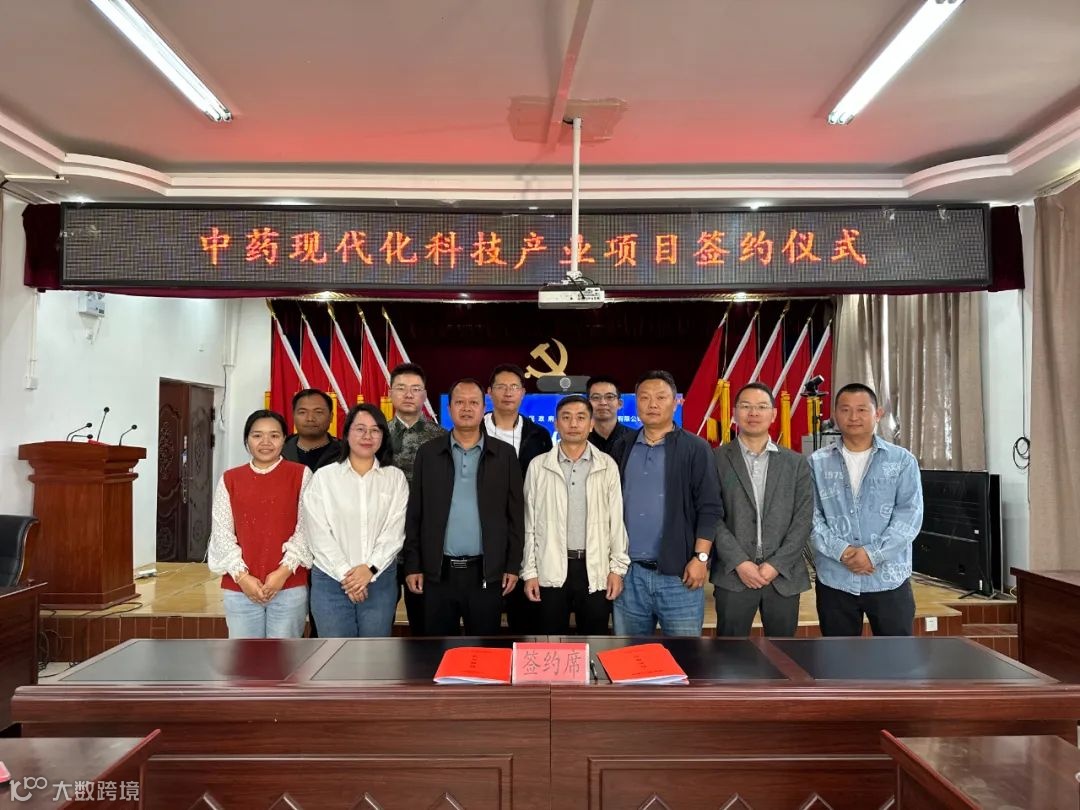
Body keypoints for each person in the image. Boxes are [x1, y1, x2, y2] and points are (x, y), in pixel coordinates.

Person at [404, 378, 524, 636]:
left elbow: (515, 516)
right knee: (436, 650)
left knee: (484, 651)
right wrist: (413, 565)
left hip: (486, 573)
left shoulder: (504, 455)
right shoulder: (428, 453)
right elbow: (415, 514)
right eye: (460, 402)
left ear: (484, 408)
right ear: (449, 408)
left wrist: (512, 565)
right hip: (438, 574)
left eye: (473, 402)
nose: (467, 408)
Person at [611, 370, 724, 636]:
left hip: (679, 574)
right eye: (645, 397)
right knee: (630, 656)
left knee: (685, 656)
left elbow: (710, 508)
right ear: (635, 403)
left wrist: (700, 558)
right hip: (628, 575)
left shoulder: (695, 448)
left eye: (661, 397)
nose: (652, 404)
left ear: (675, 403)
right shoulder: (622, 446)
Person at [809, 383, 924, 637]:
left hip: (888, 578)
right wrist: (842, 552)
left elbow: (910, 515)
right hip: (835, 579)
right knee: (838, 658)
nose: (853, 417)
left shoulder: (902, 461)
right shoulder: (817, 463)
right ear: (835, 415)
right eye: (845, 409)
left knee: (896, 657)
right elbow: (810, 517)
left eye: (862, 409)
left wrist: (872, 555)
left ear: (878, 413)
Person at [711, 383, 813, 637]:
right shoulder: (715, 459)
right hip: (734, 574)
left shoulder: (796, 463)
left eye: (761, 407)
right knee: (730, 654)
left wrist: (776, 564)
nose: (753, 413)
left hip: (783, 576)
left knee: (783, 653)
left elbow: (803, 519)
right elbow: (711, 516)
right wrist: (740, 562)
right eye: (746, 406)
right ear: (734, 412)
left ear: (774, 414)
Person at [522, 395, 629, 634]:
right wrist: (529, 572)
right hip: (549, 567)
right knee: (550, 643)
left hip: (595, 568)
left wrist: (617, 569)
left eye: (581, 418)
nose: (573, 424)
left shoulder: (606, 465)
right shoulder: (539, 466)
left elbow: (616, 522)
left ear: (591, 424)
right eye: (566, 417)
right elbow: (529, 524)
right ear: (556, 423)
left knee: (595, 639)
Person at [303, 404, 409, 637]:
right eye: (360, 429)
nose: (367, 436)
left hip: (379, 580)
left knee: (373, 653)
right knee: (334, 653)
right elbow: (317, 533)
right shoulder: (324, 478)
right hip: (330, 580)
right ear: (346, 433)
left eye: (375, 430)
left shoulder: (395, 478)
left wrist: (369, 569)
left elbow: (394, 532)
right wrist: (348, 576)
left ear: (383, 435)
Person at [208, 409, 312, 638]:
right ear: (247, 439)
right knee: (244, 656)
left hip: (288, 585)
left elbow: (306, 529)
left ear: (284, 439)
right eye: (257, 435)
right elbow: (221, 533)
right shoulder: (230, 479)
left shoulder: (301, 475)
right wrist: (243, 577)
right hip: (240, 588)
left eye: (274, 435)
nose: (266, 442)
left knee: (285, 657)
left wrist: (282, 573)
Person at [484, 363, 552, 634]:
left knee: (524, 621)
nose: (508, 393)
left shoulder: (539, 435)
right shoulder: (473, 431)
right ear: (489, 392)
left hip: (526, 534)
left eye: (514, 387)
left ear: (523, 393)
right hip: (483, 536)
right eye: (501, 387)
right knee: (484, 620)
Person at [386, 362, 446, 635]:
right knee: (379, 623)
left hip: (424, 544)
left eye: (415, 389)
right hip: (383, 542)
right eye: (401, 388)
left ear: (424, 395)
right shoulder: (376, 435)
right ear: (390, 393)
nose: (408, 394)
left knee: (425, 624)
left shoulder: (441, 437)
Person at [282, 389, 342, 472]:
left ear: (331, 417)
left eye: (318, 412)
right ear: (293, 416)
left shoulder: (346, 454)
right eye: (302, 412)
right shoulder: (279, 451)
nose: (310, 418)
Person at [586, 376, 633, 456]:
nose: (603, 403)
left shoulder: (633, 439)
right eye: (596, 397)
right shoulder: (581, 441)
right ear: (587, 404)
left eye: (609, 397)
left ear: (620, 404)